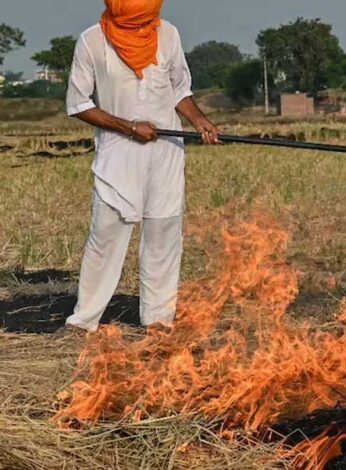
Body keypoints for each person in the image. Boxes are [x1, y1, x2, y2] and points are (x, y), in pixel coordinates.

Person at [61, 0, 220, 333]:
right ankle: (84, 320)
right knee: (106, 236)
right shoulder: (92, 41)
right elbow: (78, 104)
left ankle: (158, 319)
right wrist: (129, 126)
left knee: (163, 234)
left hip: (166, 151)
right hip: (119, 153)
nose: (144, 19)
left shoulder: (168, 34)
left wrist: (199, 120)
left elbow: (179, 89)